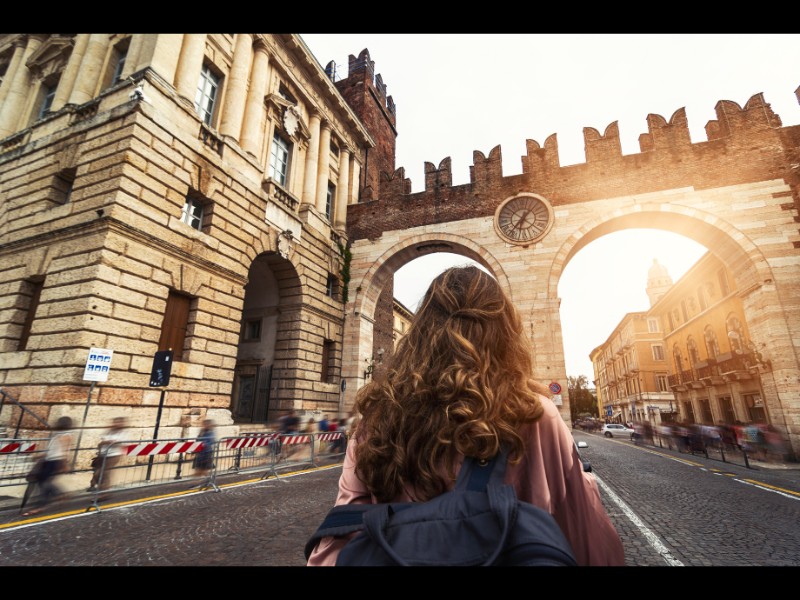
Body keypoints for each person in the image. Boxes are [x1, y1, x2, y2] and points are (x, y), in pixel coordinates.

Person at [306, 266, 625, 566]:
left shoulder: (377, 418)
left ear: (419, 332)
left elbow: (341, 532)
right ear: (505, 332)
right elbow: (587, 540)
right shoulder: (532, 415)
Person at [22, 416, 74, 516]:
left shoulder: (66, 435)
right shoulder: (56, 435)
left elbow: (64, 451)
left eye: (59, 423)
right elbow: (52, 450)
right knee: (41, 480)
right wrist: (40, 456)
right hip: (48, 460)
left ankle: (41, 506)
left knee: (45, 483)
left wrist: (64, 464)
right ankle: (60, 494)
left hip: (55, 462)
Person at [88, 416, 128, 495]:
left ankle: (105, 492)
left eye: (118, 422)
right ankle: (99, 487)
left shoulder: (123, 433)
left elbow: (123, 444)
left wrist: (110, 442)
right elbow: (102, 442)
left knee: (105, 473)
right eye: (115, 422)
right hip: (103, 454)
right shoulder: (108, 431)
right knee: (98, 472)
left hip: (114, 455)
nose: (116, 424)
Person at [192, 419, 216, 484]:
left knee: (203, 470)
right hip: (200, 453)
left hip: (206, 453)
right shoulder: (202, 431)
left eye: (205, 424)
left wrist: (202, 444)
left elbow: (209, 442)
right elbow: (197, 440)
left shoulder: (211, 432)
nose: (204, 425)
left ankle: (204, 481)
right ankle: (199, 482)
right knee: (198, 469)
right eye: (204, 424)